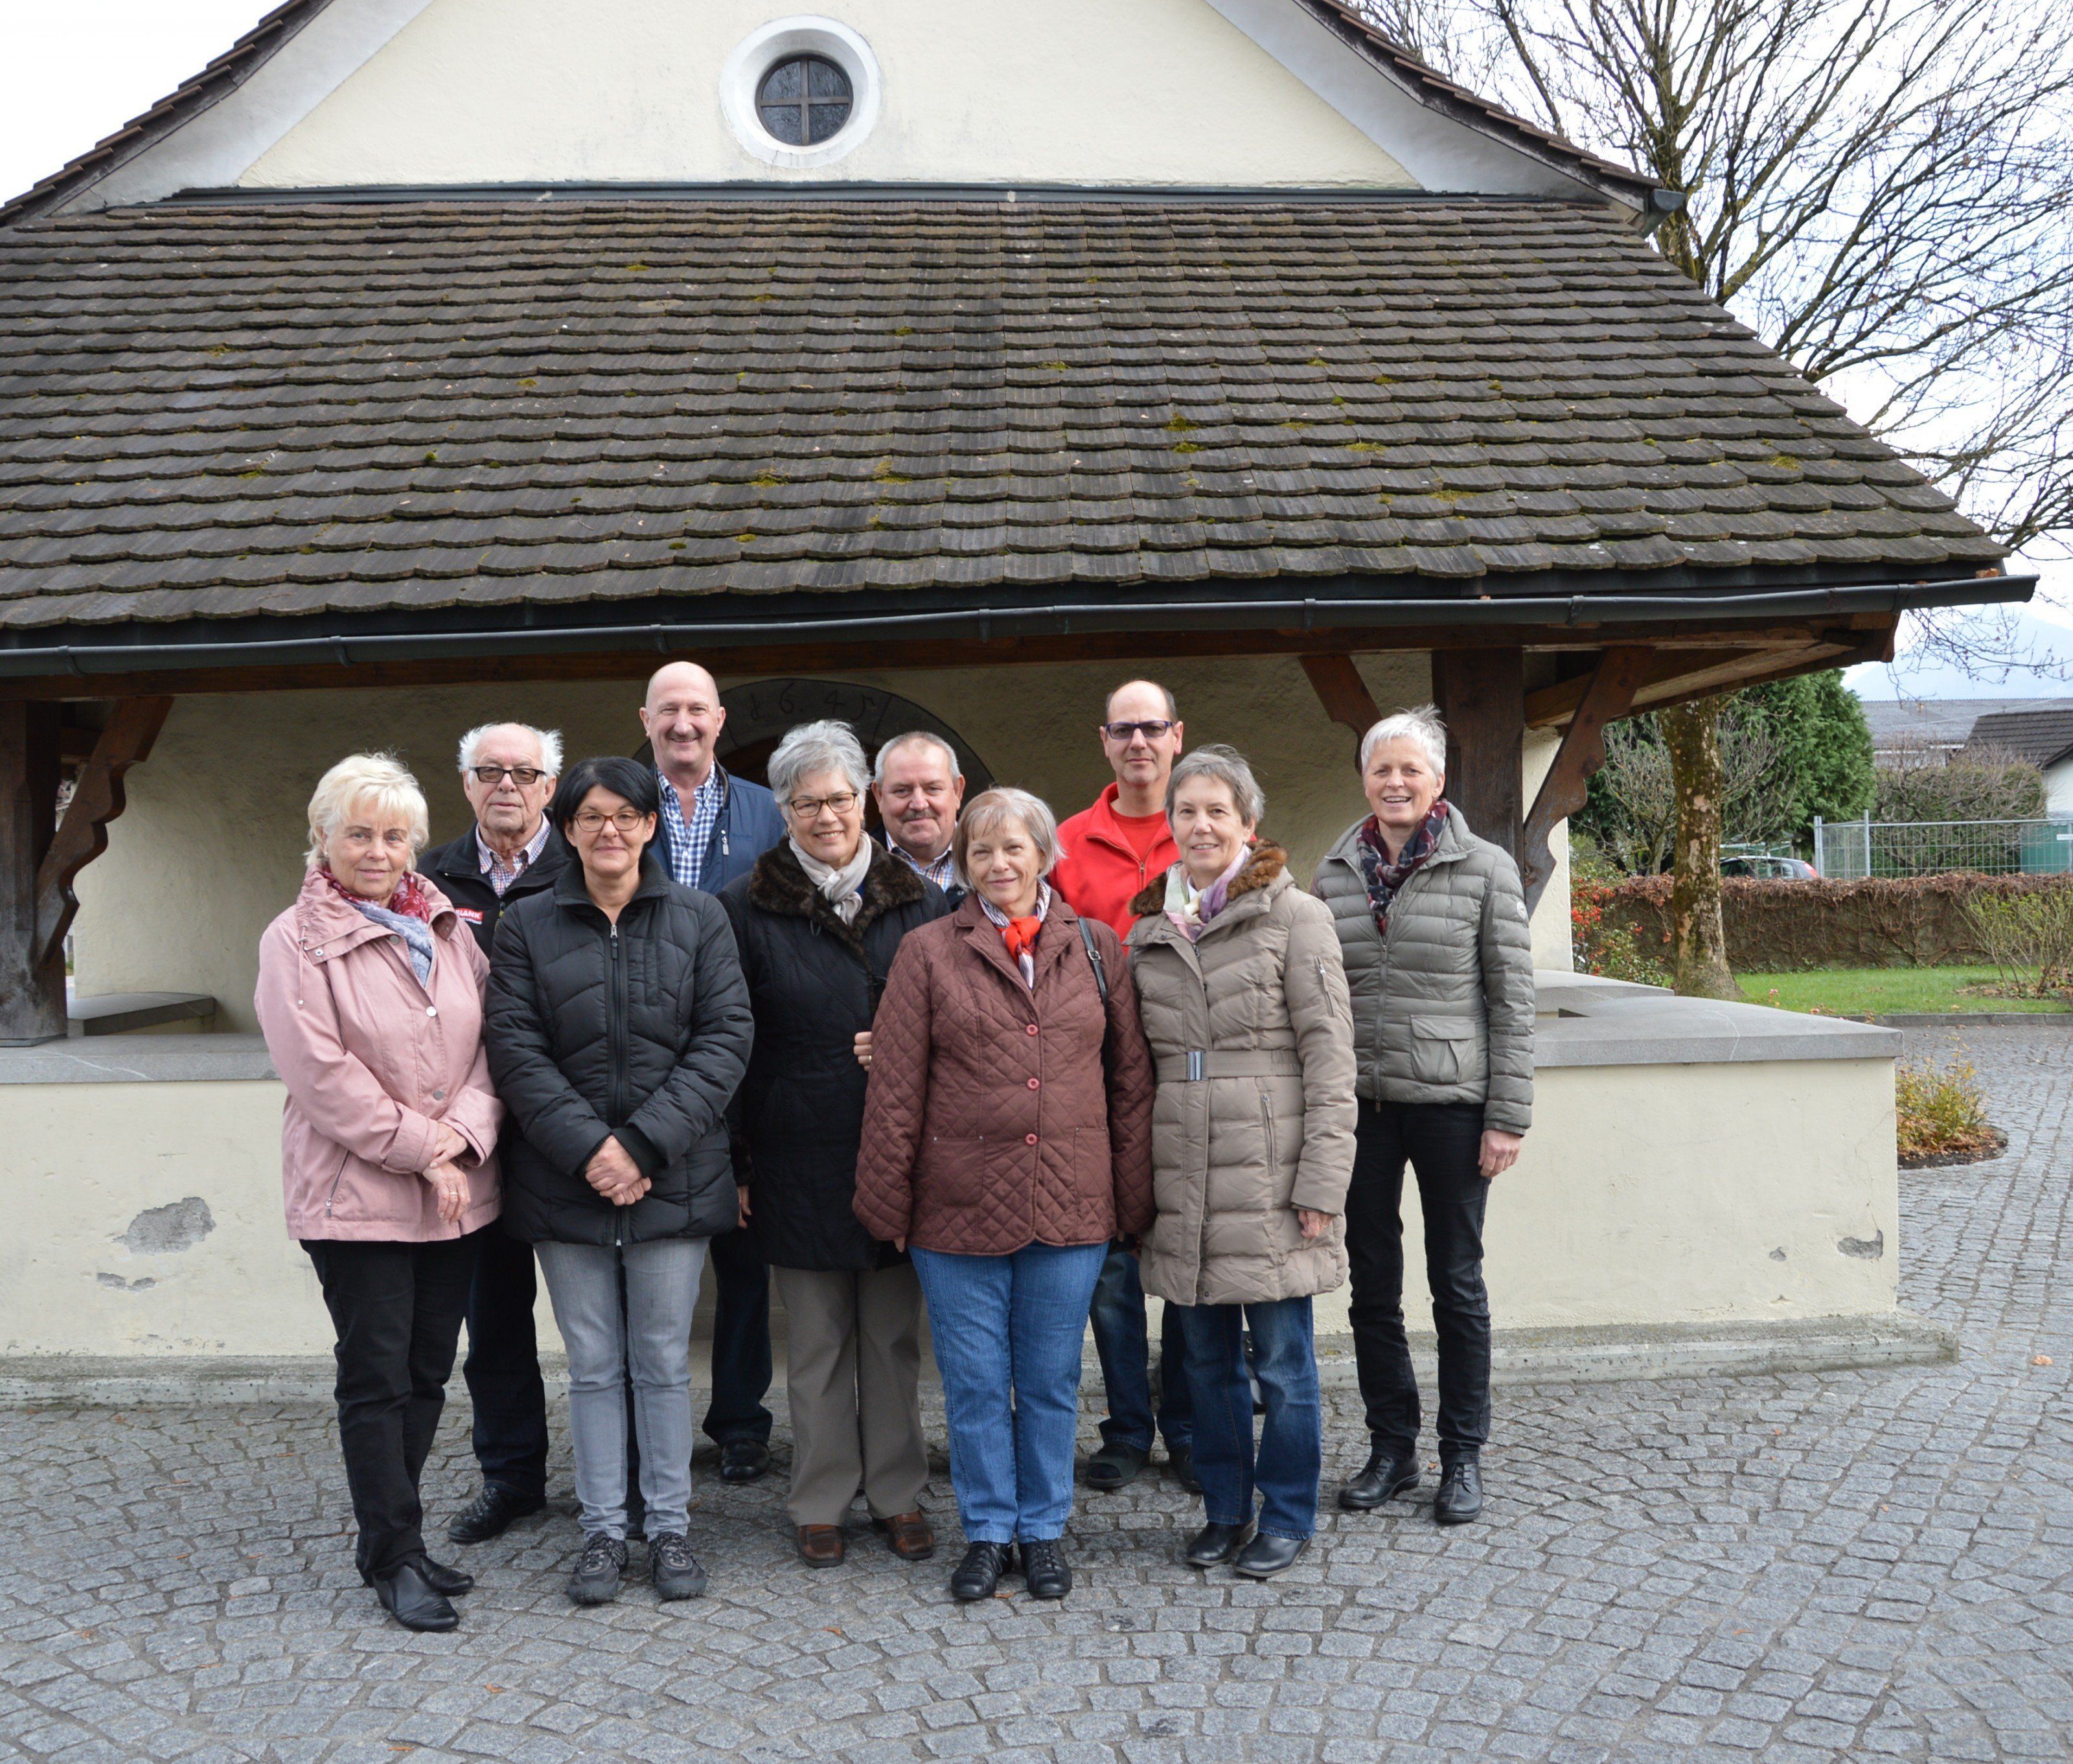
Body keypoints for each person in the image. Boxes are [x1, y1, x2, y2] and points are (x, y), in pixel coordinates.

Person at [854, 788, 1156, 1603]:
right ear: (962, 863)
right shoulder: (927, 950)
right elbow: (895, 1086)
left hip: (1071, 1202)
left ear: (1043, 855)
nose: (998, 864)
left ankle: (1043, 1528)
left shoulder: (1094, 945)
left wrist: (1131, 1201)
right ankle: (989, 1530)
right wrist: (887, 1203)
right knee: (977, 1382)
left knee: (1051, 1378)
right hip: (953, 1207)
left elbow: (1129, 1082)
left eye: (1013, 847)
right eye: (980, 850)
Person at [485, 756, 755, 1606]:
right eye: (592, 816)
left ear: (649, 825)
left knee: (663, 1359)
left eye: (626, 815)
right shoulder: (525, 924)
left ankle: (668, 1526)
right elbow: (515, 1049)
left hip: (672, 1177)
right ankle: (603, 1529)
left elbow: (724, 1039)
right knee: (596, 1363)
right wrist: (590, 1150)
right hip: (563, 1181)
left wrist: (639, 1145)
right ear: (567, 828)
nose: (610, 830)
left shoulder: (700, 917)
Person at [254, 753, 503, 1634]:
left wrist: (459, 1136)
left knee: (427, 1371)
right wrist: (425, 1148)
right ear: (322, 836)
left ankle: (398, 1539)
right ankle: (391, 1554)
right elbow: (321, 1074)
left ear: (414, 844)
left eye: (394, 835)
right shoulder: (294, 939)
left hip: (454, 1193)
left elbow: (493, 1045)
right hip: (355, 1196)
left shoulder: (447, 924)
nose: (376, 850)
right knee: (376, 1377)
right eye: (358, 832)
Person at [720, 721, 951, 1566]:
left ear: (866, 801)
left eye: (840, 798)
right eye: (806, 801)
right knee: (816, 1339)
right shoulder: (742, 907)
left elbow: (956, 1026)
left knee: (891, 1337)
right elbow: (727, 1043)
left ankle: (896, 1490)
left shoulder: (922, 900)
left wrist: (902, 1043)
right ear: (783, 810)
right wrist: (738, 1163)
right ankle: (819, 1495)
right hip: (792, 1147)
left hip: (897, 1147)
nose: (826, 815)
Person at [1127, 745, 1357, 1579]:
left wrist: (1321, 1181)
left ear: (1247, 823)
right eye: (1185, 811)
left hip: (1270, 1171)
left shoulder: (1296, 917)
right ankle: (1224, 1509)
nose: (1200, 825)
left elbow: (1330, 1059)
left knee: (1284, 1365)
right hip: (1183, 1169)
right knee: (1204, 1364)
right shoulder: (1147, 928)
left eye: (1216, 811)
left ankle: (1287, 1513)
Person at [1313, 705, 1535, 1528]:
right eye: (1382, 768)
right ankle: (1391, 1446)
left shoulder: (1484, 867)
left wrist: (1506, 1115)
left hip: (1452, 1106)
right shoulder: (1334, 871)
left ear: (1437, 780)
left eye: (1410, 768)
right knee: (1371, 1284)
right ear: (1363, 779)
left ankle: (1461, 1454)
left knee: (1456, 1284)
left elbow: (1512, 1001)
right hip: (1361, 1108)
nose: (1395, 781)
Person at [418, 721, 569, 1548]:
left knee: (601, 1319)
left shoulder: (583, 864)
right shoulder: (426, 877)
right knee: (494, 1319)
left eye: (524, 771)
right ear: (466, 782)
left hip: (565, 1127)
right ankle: (511, 1475)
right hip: (471, 1131)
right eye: (489, 770)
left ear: (550, 785)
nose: (506, 783)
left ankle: (621, 1474)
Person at [640, 660, 786, 1483]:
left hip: (741, 1056)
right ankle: (643, 1423)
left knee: (742, 1257)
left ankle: (739, 1419)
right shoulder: (621, 803)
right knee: (647, 1259)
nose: (683, 723)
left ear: (720, 719)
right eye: (668, 709)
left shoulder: (767, 811)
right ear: (646, 719)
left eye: (696, 709)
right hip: (641, 1058)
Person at [1052, 680, 1193, 1494]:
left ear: (1176, 736)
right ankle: (1128, 1426)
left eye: (1151, 727)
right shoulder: (1066, 844)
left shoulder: (1209, 829)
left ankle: (1191, 1423)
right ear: (1103, 741)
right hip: (1099, 1084)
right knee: (1111, 1273)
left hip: (1192, 1075)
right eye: (1123, 729)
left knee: (1188, 1260)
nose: (1138, 741)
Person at [871, 730, 966, 902]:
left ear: (957, 791)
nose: (919, 804)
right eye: (902, 791)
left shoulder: (997, 866)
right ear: (879, 796)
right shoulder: (850, 873)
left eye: (933, 789)